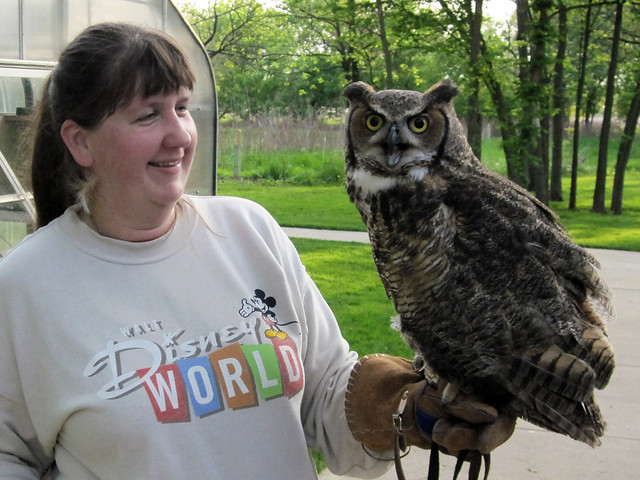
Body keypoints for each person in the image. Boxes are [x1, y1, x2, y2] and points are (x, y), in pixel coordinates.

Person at [0, 22, 514, 479]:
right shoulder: (27, 285)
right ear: (80, 142)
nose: (179, 134)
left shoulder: (248, 231)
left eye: (182, 107)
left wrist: (408, 410)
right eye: (147, 116)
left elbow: (327, 391)